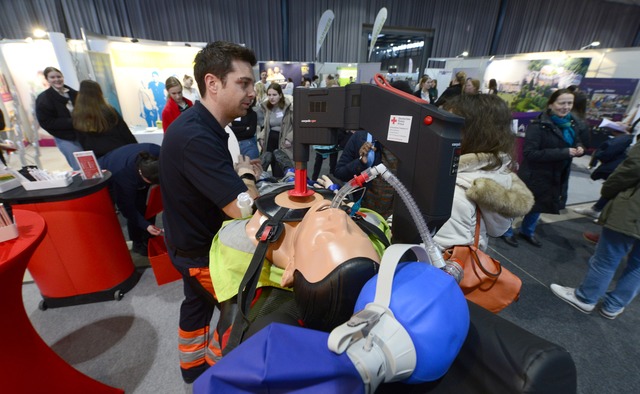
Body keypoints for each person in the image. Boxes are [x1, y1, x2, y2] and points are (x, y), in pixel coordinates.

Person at [159, 41, 261, 384]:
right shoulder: (196, 136)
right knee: (243, 309)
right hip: (201, 252)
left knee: (196, 304)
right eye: (243, 83)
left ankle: (191, 369)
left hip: (187, 242)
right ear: (212, 83)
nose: (252, 92)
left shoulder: (204, 126)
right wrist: (246, 175)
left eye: (252, 83)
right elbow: (241, 208)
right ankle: (219, 377)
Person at [550, 141, 640, 320]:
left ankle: (585, 297)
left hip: (633, 209)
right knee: (637, 266)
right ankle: (613, 305)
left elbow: (630, 169)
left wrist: (607, 191)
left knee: (606, 259)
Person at [434, 94, 533, 251]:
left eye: (451, 125)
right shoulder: (497, 170)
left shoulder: (452, 192)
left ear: (473, 133)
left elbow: (424, 256)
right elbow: (497, 229)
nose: (438, 131)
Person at [502, 89, 585, 247]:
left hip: (556, 174)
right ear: (551, 104)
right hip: (535, 174)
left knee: (539, 204)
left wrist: (579, 148)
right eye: (562, 103)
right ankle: (506, 231)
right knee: (519, 204)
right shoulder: (539, 125)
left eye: (569, 103)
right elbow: (530, 153)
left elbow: (577, 141)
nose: (565, 107)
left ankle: (528, 231)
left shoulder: (571, 124)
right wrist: (564, 152)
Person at [98, 143, 162, 256]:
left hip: (131, 166)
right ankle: (137, 243)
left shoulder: (159, 153)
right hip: (108, 170)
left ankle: (150, 236)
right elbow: (127, 208)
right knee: (137, 206)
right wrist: (145, 225)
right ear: (142, 176)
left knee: (149, 205)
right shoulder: (123, 178)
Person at [72, 80, 137, 158]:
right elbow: (125, 132)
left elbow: (82, 139)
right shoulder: (108, 110)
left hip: (98, 155)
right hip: (119, 150)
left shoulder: (77, 114)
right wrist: (136, 149)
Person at [35, 66, 83, 170]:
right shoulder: (44, 99)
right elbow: (46, 122)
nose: (56, 79)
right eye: (52, 77)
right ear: (47, 79)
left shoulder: (73, 93)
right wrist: (73, 122)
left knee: (91, 163)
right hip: (65, 137)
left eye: (59, 76)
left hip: (83, 133)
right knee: (79, 166)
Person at [258, 83, 293, 177]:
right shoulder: (267, 107)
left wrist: (289, 138)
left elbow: (296, 126)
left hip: (283, 141)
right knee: (270, 167)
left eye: (274, 95)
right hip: (270, 141)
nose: (271, 97)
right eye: (269, 95)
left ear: (280, 95)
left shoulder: (288, 107)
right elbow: (266, 126)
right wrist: (261, 137)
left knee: (281, 169)